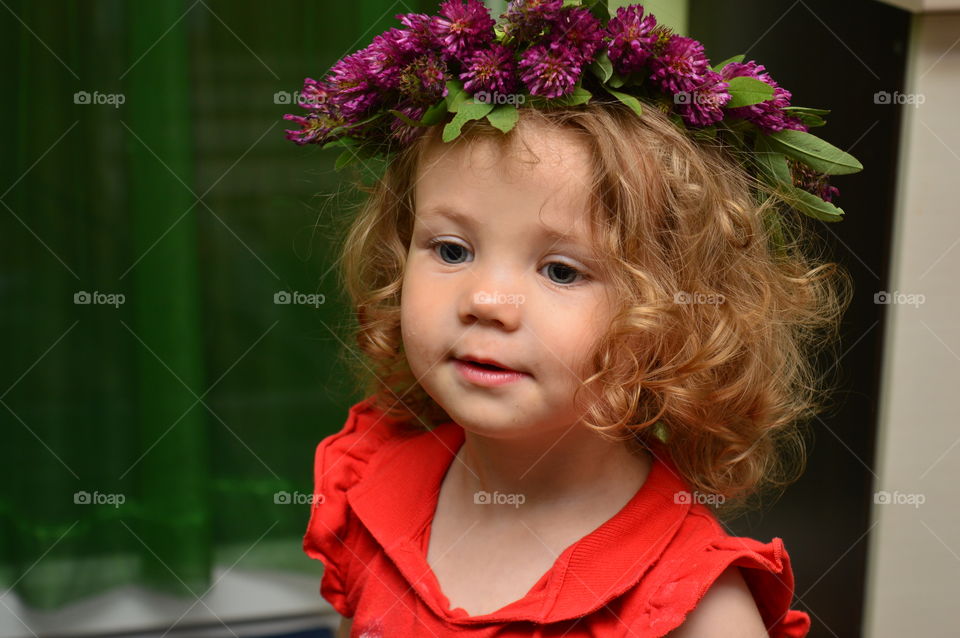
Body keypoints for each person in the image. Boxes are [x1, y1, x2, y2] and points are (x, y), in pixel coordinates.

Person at [284, 1, 860, 636]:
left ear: (672, 320)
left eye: (561, 270)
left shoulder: (694, 607)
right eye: (452, 250)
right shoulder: (371, 487)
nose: (486, 301)